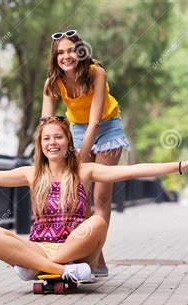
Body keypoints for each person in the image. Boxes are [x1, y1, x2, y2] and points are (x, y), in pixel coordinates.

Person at [0, 117, 188, 283]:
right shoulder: (31, 174)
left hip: (76, 248)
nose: (52, 143)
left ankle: (36, 267)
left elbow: (135, 170)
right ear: (40, 146)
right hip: (43, 246)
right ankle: (59, 271)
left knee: (97, 221)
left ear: (68, 142)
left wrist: (181, 166)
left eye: (58, 137)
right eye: (46, 139)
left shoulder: (85, 170)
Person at [41, 29, 130, 277]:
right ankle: (95, 258)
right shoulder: (53, 83)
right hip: (78, 128)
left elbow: (96, 122)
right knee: (80, 194)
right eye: (60, 52)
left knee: (101, 196)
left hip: (107, 126)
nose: (66, 56)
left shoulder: (96, 73)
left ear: (80, 51)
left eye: (70, 50)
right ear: (55, 57)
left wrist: (79, 155)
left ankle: (94, 258)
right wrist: (47, 157)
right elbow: (45, 123)